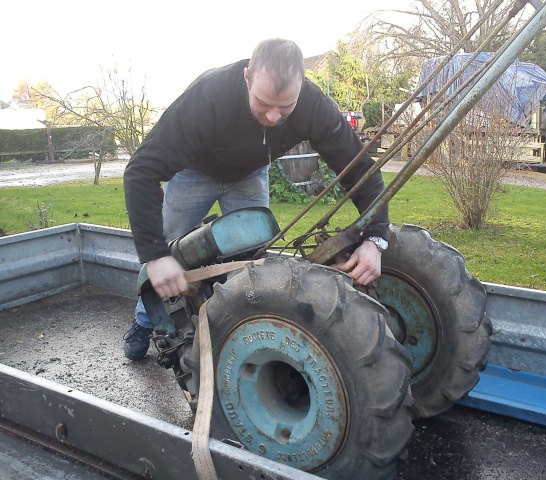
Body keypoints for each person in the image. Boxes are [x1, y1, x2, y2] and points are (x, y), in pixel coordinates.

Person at [122, 38, 390, 361]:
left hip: (249, 175)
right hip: (195, 172)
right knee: (169, 253)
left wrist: (375, 239)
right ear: (247, 77)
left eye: (285, 107)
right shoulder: (209, 96)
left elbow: (360, 169)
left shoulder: (311, 104)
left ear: (301, 87)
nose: (274, 117)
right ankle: (144, 320)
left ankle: (238, 333)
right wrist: (154, 255)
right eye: (263, 103)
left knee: (250, 259)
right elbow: (140, 171)